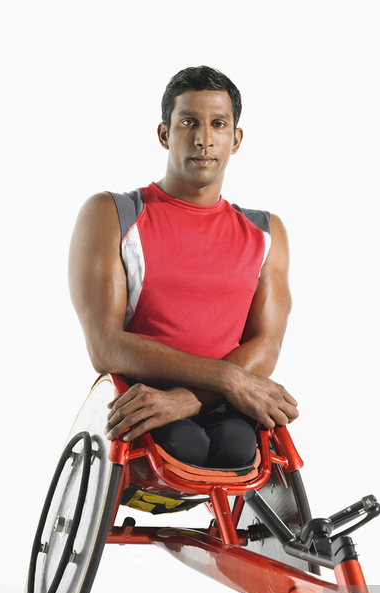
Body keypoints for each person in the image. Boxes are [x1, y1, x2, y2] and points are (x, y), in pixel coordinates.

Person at [68, 65, 298, 470]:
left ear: (236, 139)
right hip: (144, 398)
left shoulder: (266, 231)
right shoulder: (112, 214)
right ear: (164, 134)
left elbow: (267, 346)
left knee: (237, 447)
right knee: (186, 446)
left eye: (218, 124)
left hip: (221, 404)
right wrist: (226, 379)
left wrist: (188, 399)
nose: (204, 139)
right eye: (188, 122)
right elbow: (105, 346)